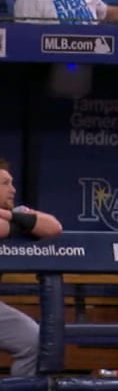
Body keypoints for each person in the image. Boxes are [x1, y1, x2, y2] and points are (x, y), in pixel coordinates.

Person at [0, 158, 63, 378]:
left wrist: (10, 215)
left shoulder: (13, 212)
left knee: (33, 341)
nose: (13, 189)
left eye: (12, 182)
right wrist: (22, 225)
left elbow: (53, 226)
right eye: (5, 183)